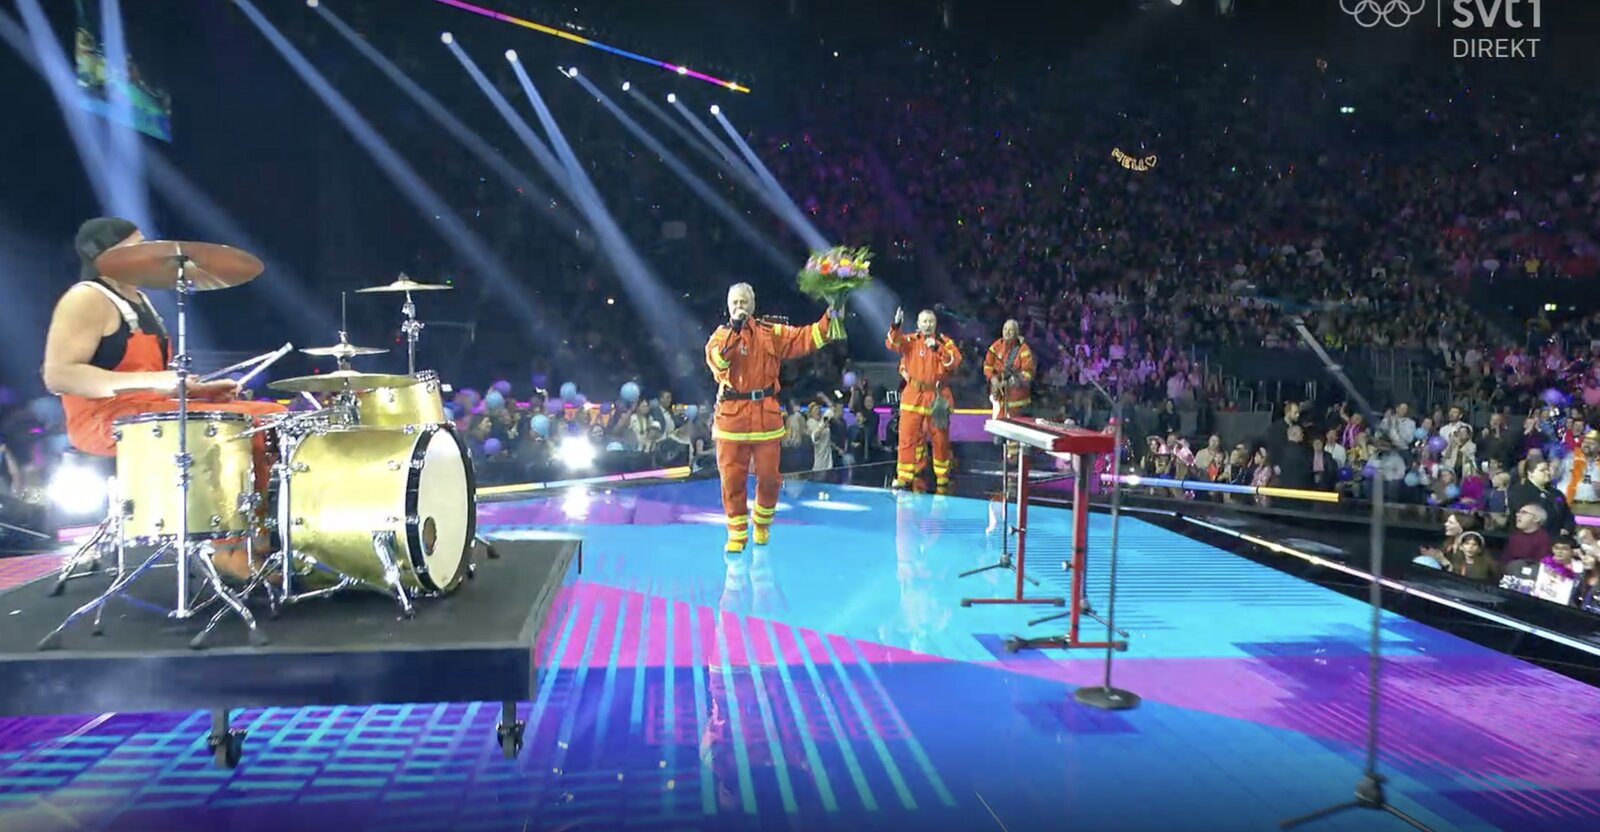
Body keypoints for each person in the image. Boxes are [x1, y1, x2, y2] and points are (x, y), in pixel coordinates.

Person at [41, 218, 286, 573]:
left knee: (269, 414)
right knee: (244, 424)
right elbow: (59, 375)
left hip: (149, 409)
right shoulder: (86, 297)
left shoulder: (140, 300)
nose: (150, 252)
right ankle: (228, 548)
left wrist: (197, 390)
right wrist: (160, 382)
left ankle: (256, 535)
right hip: (104, 419)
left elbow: (150, 382)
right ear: (105, 255)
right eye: (136, 245)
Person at [705, 282, 838, 553]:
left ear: (753, 305)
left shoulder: (770, 332)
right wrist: (735, 330)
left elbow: (804, 337)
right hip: (732, 419)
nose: (740, 307)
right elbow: (719, 365)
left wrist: (832, 312)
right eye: (735, 303)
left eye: (744, 302)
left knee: (769, 478)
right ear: (728, 307)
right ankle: (737, 533)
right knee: (732, 480)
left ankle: (762, 524)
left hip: (765, 416)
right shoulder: (720, 336)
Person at [886, 307, 962, 492]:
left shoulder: (944, 342)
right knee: (907, 437)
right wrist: (896, 326)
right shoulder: (910, 341)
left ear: (935, 324)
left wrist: (938, 349)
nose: (928, 325)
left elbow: (954, 362)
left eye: (931, 321)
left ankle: (942, 476)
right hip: (913, 394)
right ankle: (904, 476)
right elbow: (892, 343)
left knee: (940, 439)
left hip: (937, 395)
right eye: (924, 321)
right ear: (918, 324)